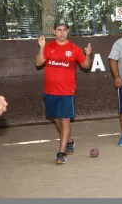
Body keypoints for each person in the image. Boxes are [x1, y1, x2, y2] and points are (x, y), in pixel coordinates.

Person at [35, 17, 92, 164]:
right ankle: (70, 141)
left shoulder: (74, 49)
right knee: (56, 119)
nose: (62, 33)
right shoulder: (48, 47)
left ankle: (61, 152)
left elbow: (85, 65)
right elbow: (38, 62)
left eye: (64, 30)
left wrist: (88, 55)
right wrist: (41, 47)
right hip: (49, 91)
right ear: (54, 32)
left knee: (65, 120)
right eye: (59, 30)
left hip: (67, 91)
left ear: (68, 31)